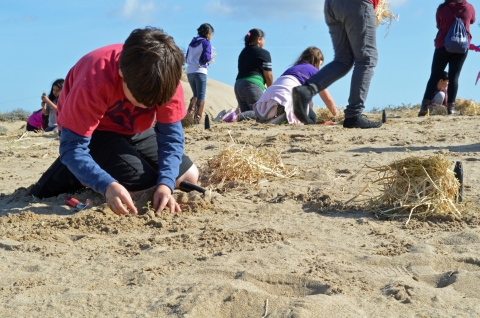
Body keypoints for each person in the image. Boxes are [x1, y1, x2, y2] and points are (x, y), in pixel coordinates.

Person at [31, 27, 199, 216]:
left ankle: (88, 169)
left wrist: (167, 183)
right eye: (141, 101)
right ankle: (75, 173)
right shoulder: (95, 77)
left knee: (187, 177)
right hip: (91, 133)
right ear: (121, 73)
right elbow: (73, 146)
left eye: (154, 104)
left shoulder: (166, 76)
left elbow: (171, 138)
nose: (147, 108)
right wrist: (106, 185)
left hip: (133, 130)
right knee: (144, 188)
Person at [292, 0, 382, 129]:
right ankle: (354, 114)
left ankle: (307, 90)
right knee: (367, 59)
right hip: (357, 4)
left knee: (343, 59)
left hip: (332, 5)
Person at [418, 0, 476, 116]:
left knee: (434, 76)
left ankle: (424, 106)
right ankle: (451, 108)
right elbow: (472, 21)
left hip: (442, 46)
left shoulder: (442, 8)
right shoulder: (469, 8)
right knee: (454, 77)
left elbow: (439, 25)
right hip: (461, 48)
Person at [254, 46, 337, 125]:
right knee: (312, 119)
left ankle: (278, 115)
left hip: (270, 98)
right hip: (288, 97)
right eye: (320, 65)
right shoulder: (315, 71)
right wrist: (336, 115)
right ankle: (284, 117)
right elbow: (327, 98)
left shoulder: (292, 69)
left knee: (308, 112)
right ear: (317, 62)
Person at [229, 28, 273, 122]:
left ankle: (232, 116)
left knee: (248, 116)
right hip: (252, 86)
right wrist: (271, 90)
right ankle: (234, 116)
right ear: (259, 39)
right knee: (261, 113)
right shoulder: (264, 53)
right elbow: (268, 75)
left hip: (239, 86)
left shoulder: (243, 52)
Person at [185, 23, 214, 124]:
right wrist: (211, 57)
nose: (211, 36)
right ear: (208, 34)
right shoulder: (206, 43)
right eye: (211, 34)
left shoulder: (192, 42)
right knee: (201, 97)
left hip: (189, 71)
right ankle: (197, 120)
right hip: (200, 71)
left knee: (195, 95)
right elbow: (206, 58)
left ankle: (188, 117)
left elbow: (186, 57)